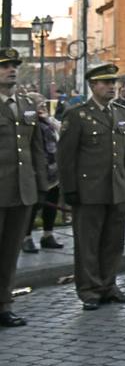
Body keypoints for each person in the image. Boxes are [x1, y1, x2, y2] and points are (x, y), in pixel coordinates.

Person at [58, 63, 125, 311]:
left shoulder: (121, 112)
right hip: (88, 188)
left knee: (114, 241)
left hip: (116, 187)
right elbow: (66, 156)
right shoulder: (77, 114)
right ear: (93, 85)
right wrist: (70, 189)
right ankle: (89, 289)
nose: (111, 87)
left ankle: (109, 284)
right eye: (105, 83)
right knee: (88, 242)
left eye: (113, 82)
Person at [1, 48, 51, 327]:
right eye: (5, 66)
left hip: (22, 190)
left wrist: (41, 184)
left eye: (14, 66)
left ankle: (4, 304)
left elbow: (37, 149)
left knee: (10, 252)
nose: (11, 70)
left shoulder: (25, 105)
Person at [23, 102, 63, 254]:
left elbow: (61, 134)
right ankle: (26, 237)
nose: (42, 107)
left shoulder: (49, 121)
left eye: (43, 104)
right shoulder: (29, 122)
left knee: (51, 204)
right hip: (37, 170)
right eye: (38, 105)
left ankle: (48, 235)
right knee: (34, 206)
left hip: (53, 170)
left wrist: (51, 120)